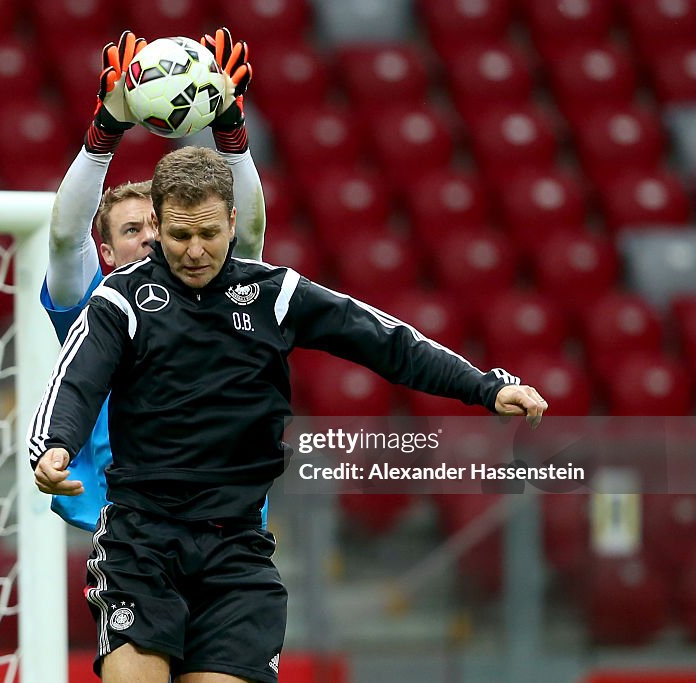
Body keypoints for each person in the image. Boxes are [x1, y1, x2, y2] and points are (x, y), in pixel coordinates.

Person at [28, 146, 549, 682]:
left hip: (236, 549)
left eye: (208, 234)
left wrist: (485, 388)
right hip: (141, 540)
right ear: (157, 227)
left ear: (232, 222)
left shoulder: (273, 295)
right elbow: (77, 381)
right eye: (180, 237)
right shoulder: (122, 299)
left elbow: (387, 342)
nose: (194, 252)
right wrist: (56, 445)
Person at [40, 27, 264, 532]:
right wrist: (105, 132)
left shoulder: (222, 293)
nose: (148, 238)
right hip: (130, 525)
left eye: (156, 228)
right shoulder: (93, 306)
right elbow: (63, 236)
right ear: (104, 252)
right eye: (131, 229)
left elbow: (248, 236)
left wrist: (230, 131)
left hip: (228, 523)